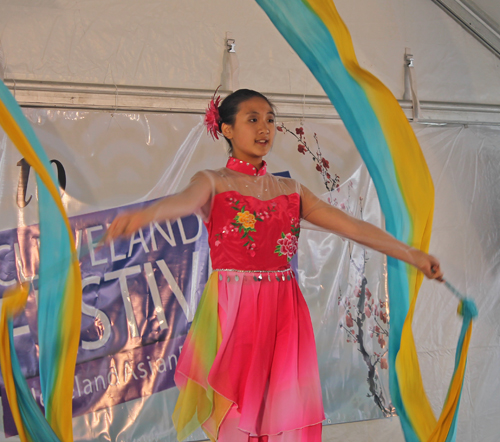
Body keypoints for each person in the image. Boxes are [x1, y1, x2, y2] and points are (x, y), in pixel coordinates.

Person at [105, 89, 443, 442]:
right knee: (234, 412)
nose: (264, 127)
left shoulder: (291, 189)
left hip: (284, 310)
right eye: (252, 119)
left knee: (280, 410)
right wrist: (144, 215)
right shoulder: (213, 181)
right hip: (234, 308)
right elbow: (182, 202)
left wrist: (412, 255)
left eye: (269, 119)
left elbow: (352, 227)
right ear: (227, 129)